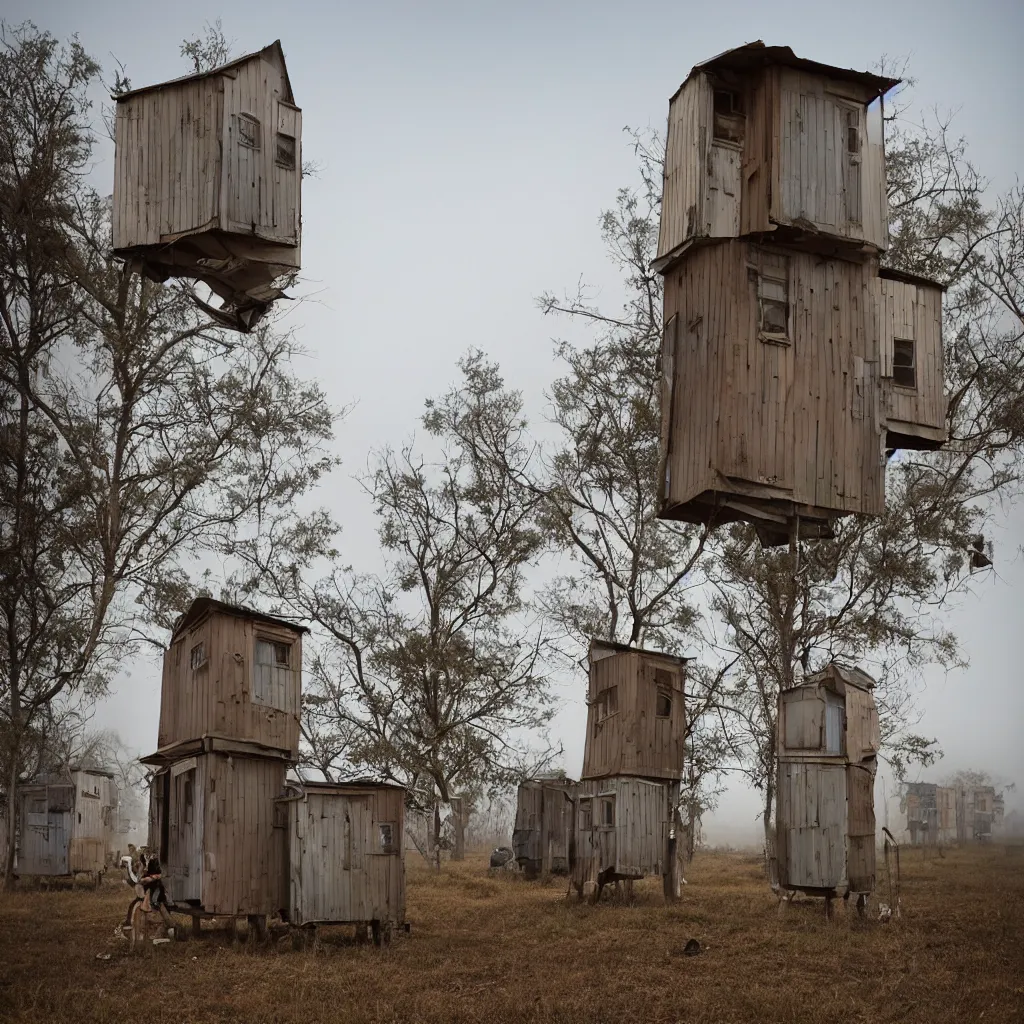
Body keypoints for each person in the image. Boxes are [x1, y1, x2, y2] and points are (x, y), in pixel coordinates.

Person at [140, 856, 174, 931]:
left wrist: (156, 876)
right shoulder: (149, 867)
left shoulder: (160, 865)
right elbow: (143, 879)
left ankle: (168, 926)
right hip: (152, 892)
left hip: (158, 894)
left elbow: (164, 875)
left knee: (159, 905)